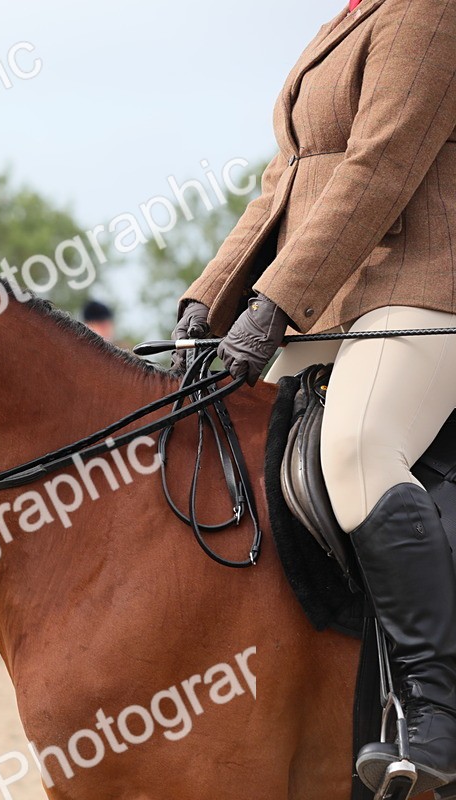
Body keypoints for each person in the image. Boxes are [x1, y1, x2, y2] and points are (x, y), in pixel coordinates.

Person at [173, 0, 456, 790]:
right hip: (340, 291)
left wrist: (273, 306)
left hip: (428, 285)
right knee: (219, 438)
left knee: (359, 445)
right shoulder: (350, 18)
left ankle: (435, 712)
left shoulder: (431, 11)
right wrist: (214, 295)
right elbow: (285, 180)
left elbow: (383, 164)